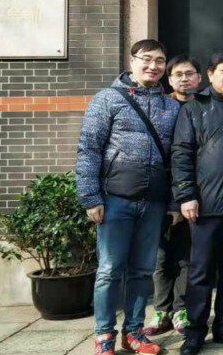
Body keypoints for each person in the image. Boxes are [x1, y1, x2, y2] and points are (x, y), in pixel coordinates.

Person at [76, 39, 180, 355]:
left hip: (154, 201)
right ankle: (104, 336)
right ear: (131, 61)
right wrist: (90, 196)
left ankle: (134, 332)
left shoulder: (171, 106)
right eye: (146, 59)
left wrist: (174, 201)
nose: (153, 66)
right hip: (115, 199)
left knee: (143, 270)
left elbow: (177, 159)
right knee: (109, 270)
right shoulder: (108, 99)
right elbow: (89, 148)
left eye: (159, 60)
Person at [172, 52, 223, 354]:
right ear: (210, 75)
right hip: (204, 205)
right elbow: (181, 154)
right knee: (200, 271)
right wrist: (186, 195)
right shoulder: (193, 109)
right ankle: (194, 331)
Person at [145, 55, 200, 337]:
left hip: (194, 195)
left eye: (189, 74)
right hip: (161, 195)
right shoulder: (161, 108)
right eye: (178, 74)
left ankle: (181, 309)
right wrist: (170, 200)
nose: (184, 79)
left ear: (199, 78)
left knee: (187, 257)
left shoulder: (203, 107)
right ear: (169, 79)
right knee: (162, 258)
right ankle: (161, 310)